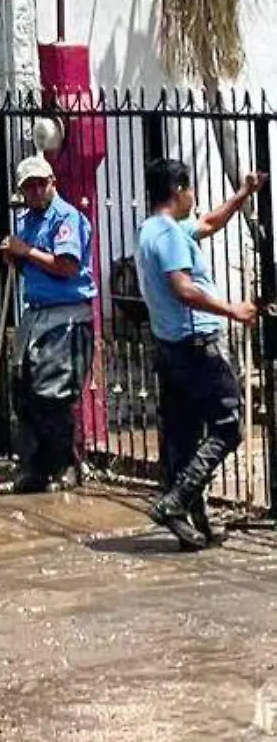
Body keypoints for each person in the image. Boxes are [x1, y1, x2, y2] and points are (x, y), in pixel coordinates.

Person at [135, 160, 262, 551]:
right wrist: (231, 309)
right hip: (195, 348)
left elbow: (208, 224)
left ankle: (195, 519)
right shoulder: (169, 236)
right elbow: (183, 289)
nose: (193, 198)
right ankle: (176, 502)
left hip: (172, 349)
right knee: (228, 425)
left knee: (186, 435)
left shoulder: (153, 229)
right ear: (178, 190)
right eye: (190, 190)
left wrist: (243, 194)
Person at [1, 155, 97, 493]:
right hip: (36, 314)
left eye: (42, 183)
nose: (37, 191)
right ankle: (38, 466)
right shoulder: (29, 221)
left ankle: (67, 463)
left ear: (53, 182)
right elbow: (29, 264)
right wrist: (15, 256)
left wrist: (25, 251)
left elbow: (67, 266)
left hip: (65, 315)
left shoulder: (66, 218)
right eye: (30, 187)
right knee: (25, 390)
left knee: (52, 394)